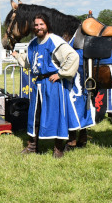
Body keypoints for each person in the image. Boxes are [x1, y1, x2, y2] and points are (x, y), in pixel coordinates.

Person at [12, 13, 79, 158]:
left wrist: (61, 74)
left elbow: (72, 56)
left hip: (52, 84)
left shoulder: (54, 40)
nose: (38, 27)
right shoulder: (33, 43)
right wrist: (17, 56)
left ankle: (58, 149)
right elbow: (30, 62)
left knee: (56, 115)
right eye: (36, 25)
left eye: (41, 24)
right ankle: (32, 146)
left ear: (47, 25)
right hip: (38, 85)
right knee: (34, 116)